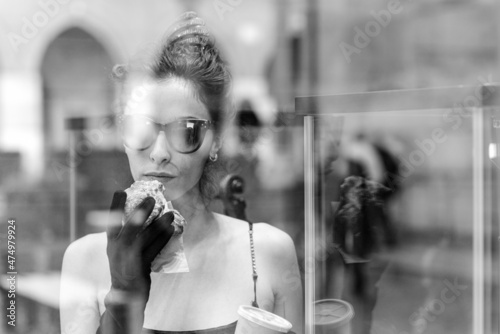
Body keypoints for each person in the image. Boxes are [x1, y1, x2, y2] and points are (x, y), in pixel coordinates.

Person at [59, 12, 303, 334]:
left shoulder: (268, 251)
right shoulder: (84, 260)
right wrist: (122, 299)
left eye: (185, 131)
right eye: (140, 128)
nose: (159, 153)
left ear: (214, 140)